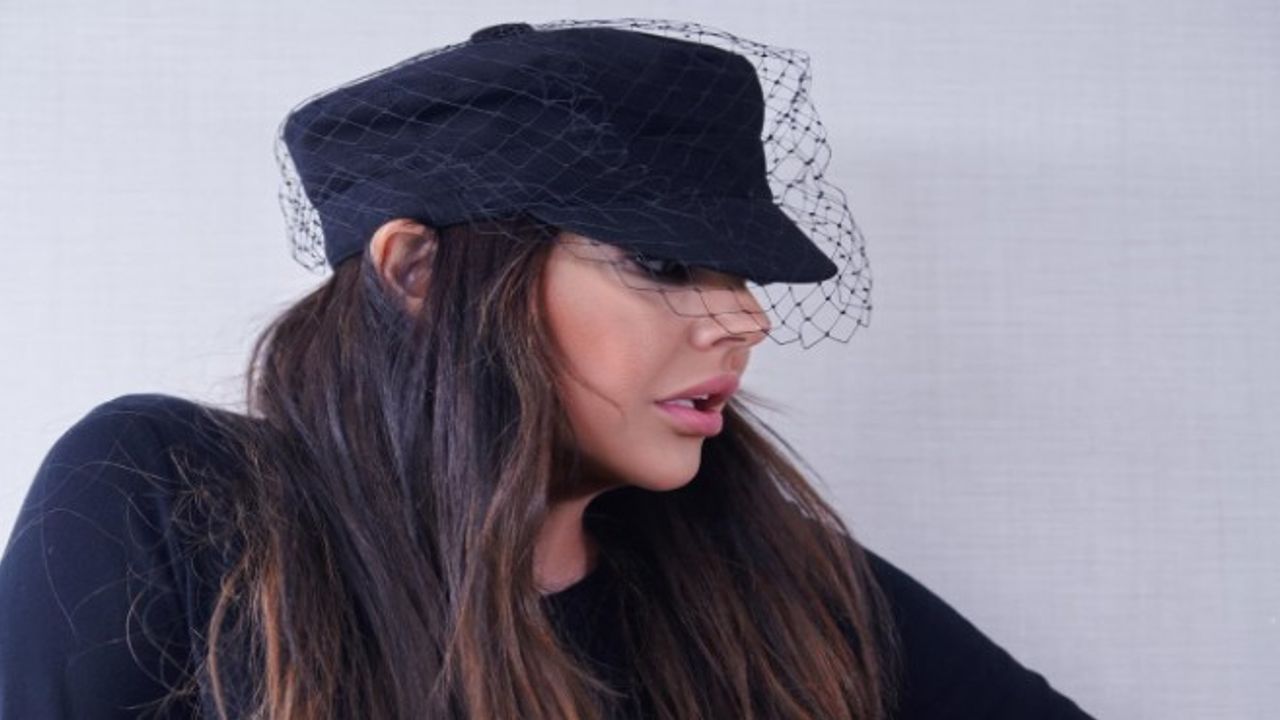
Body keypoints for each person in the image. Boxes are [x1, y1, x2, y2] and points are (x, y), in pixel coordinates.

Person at [0, 19, 1096, 720]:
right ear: (418, 271)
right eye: (663, 262)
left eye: (741, 273)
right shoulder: (172, 501)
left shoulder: (767, 575)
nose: (745, 319)